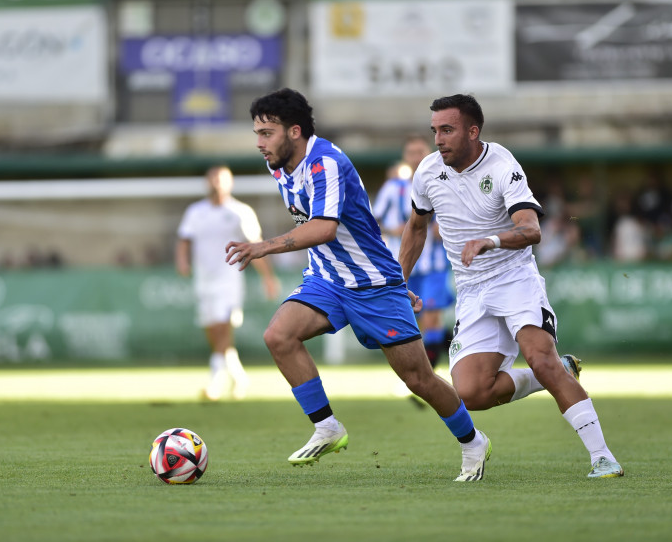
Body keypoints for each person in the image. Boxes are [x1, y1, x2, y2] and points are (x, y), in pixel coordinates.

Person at [226, 88, 490, 481]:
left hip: (373, 284)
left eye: (267, 133)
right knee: (279, 336)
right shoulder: (279, 164)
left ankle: (472, 442)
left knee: (417, 378)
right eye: (257, 134)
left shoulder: (327, 163)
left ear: (294, 131)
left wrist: (263, 246)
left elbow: (324, 228)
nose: (260, 143)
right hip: (327, 279)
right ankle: (327, 427)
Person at [398, 94, 623, 479]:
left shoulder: (502, 165)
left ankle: (602, 456)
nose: (438, 139)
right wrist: (397, 282)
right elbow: (416, 228)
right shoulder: (427, 172)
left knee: (540, 356)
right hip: (471, 290)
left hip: (514, 279)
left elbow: (531, 229)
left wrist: (492, 240)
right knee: (470, 393)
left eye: (447, 130)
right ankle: (549, 375)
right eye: (435, 130)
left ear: (473, 131)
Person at [176, 165, 280, 401]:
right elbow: (184, 240)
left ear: (230, 183)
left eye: (221, 179)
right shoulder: (195, 211)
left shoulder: (240, 212)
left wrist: (268, 277)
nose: (216, 183)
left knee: (224, 325)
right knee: (213, 329)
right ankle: (239, 376)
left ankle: (215, 381)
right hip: (204, 279)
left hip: (229, 279)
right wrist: (182, 262)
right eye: (212, 178)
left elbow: (256, 244)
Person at [373, 135, 454, 384]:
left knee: (430, 315)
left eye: (421, 151)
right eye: (411, 152)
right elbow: (375, 220)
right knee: (413, 320)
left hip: (434, 265)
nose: (416, 156)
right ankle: (426, 370)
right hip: (405, 265)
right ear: (405, 157)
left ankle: (429, 375)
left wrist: (445, 228)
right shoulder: (393, 187)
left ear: (429, 152)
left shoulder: (444, 180)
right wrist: (391, 228)